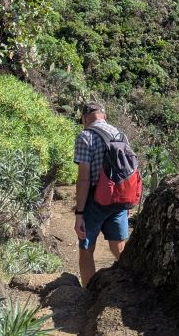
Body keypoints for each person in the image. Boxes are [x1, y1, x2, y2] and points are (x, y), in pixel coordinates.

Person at [73, 100, 128, 285]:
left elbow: (84, 178)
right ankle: (127, 288)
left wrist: (79, 213)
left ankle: (88, 294)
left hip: (95, 200)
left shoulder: (85, 136)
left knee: (87, 249)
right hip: (119, 199)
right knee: (118, 245)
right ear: (104, 115)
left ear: (84, 119)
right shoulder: (120, 134)